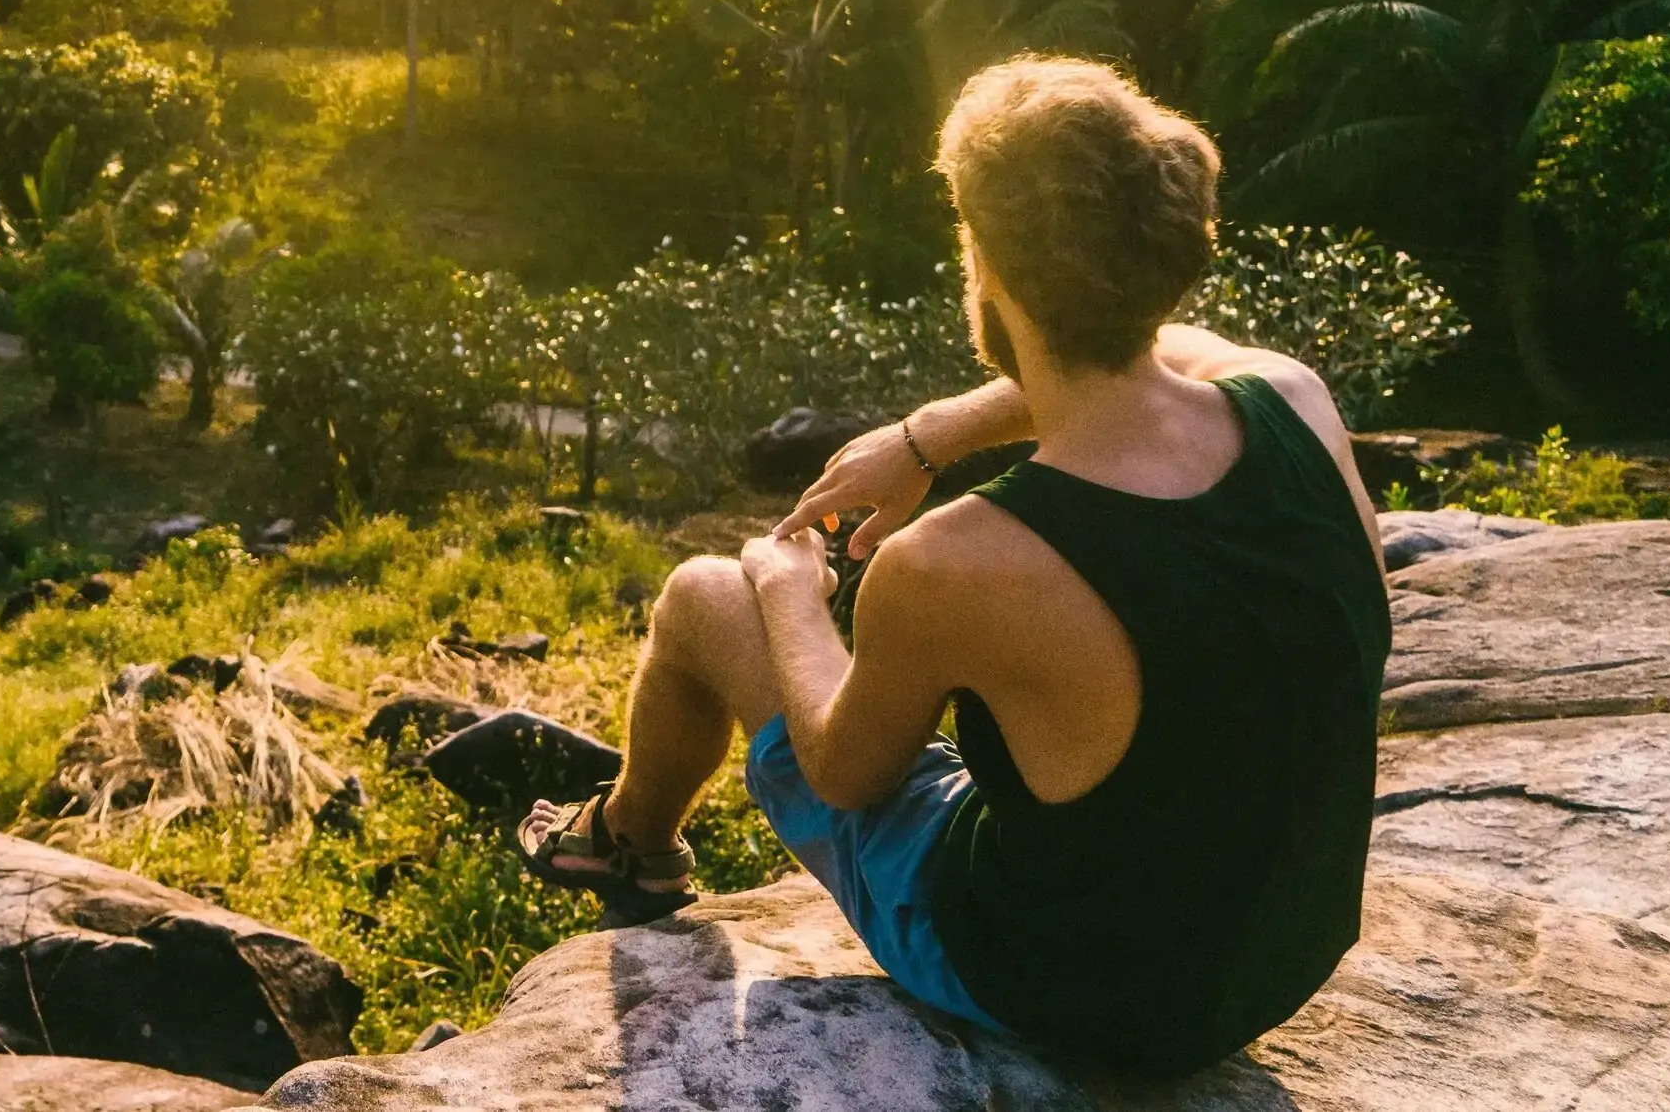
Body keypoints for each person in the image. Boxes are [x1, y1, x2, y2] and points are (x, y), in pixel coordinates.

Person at [516, 58, 1391, 1076]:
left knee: (705, 595)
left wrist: (787, 590)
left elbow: (844, 775)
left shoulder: (960, 559)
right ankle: (622, 832)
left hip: (1072, 993)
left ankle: (627, 843)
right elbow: (1167, 354)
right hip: (1276, 959)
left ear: (987, 270)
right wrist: (931, 434)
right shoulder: (1296, 400)